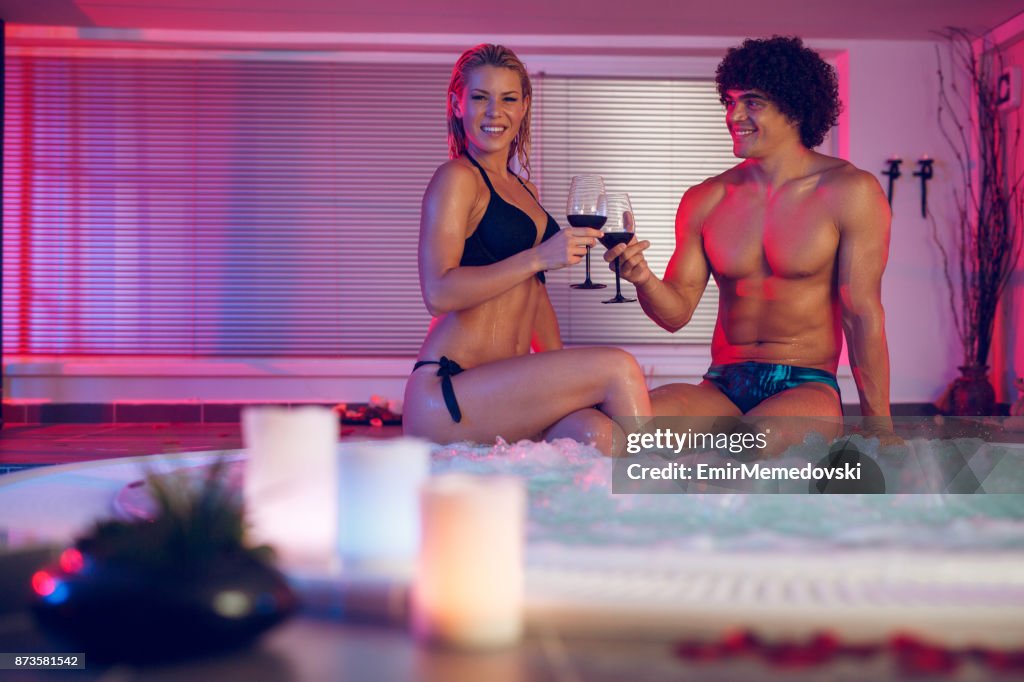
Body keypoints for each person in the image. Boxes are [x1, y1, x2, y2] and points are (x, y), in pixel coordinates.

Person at [606, 36, 892, 431]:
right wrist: (643, 279)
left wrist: (881, 431)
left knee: (744, 447)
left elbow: (862, 315)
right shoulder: (705, 198)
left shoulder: (851, 191)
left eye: (751, 102)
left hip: (805, 386)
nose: (733, 115)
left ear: (794, 109)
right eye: (729, 101)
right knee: (626, 426)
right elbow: (675, 314)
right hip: (723, 384)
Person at [403, 44, 651, 456]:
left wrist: (567, 379)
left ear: (524, 107)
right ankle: (668, 497)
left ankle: (616, 516)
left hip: (506, 388)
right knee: (619, 367)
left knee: (597, 435)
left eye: (508, 98)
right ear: (457, 104)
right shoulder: (457, 178)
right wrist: (539, 257)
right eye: (480, 97)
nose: (494, 112)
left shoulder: (525, 191)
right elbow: (438, 293)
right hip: (449, 392)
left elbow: (533, 296)